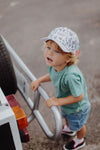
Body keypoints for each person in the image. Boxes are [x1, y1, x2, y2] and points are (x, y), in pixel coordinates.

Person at [31, 27, 91, 150]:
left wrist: (57, 101)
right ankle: (69, 129)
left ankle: (80, 140)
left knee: (79, 125)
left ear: (68, 58)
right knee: (66, 118)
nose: (49, 53)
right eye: (48, 47)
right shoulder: (54, 65)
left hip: (77, 109)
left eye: (57, 51)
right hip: (66, 104)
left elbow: (79, 96)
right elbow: (53, 75)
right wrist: (39, 80)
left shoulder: (71, 76)